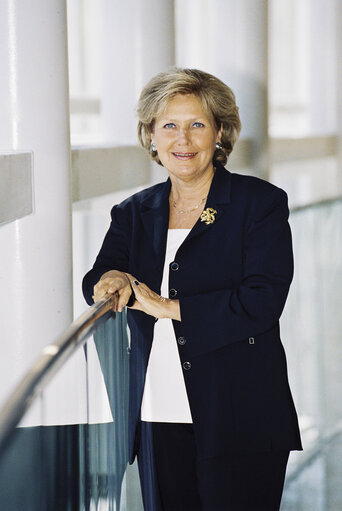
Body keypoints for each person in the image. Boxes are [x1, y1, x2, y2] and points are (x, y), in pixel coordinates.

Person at [82, 68, 302, 511]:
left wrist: (168, 307)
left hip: (240, 411)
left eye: (197, 124)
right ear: (151, 136)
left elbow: (262, 300)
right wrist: (113, 280)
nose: (183, 139)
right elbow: (100, 275)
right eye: (169, 126)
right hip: (156, 409)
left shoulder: (259, 204)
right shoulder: (133, 212)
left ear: (220, 133)